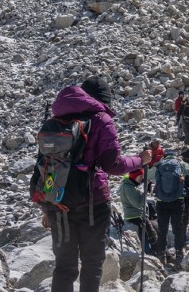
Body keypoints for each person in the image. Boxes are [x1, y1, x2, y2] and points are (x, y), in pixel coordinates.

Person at [31, 77, 151, 292]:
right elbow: (112, 165)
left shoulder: (55, 120)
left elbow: (42, 167)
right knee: (92, 264)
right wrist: (140, 160)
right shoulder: (101, 119)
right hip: (93, 204)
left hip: (58, 203)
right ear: (101, 100)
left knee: (64, 266)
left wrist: (46, 207)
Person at [153, 149, 189, 267]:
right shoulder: (180, 164)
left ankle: (161, 255)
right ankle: (179, 254)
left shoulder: (160, 165)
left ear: (165, 156)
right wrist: (184, 167)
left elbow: (148, 175)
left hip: (161, 202)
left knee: (162, 229)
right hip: (177, 201)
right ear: (174, 155)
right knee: (178, 228)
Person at [119, 169, 158, 253]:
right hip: (135, 215)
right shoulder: (128, 187)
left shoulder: (131, 184)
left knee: (148, 232)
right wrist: (144, 190)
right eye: (140, 176)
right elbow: (137, 204)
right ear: (135, 176)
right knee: (151, 233)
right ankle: (156, 252)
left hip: (137, 214)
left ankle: (151, 251)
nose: (142, 178)